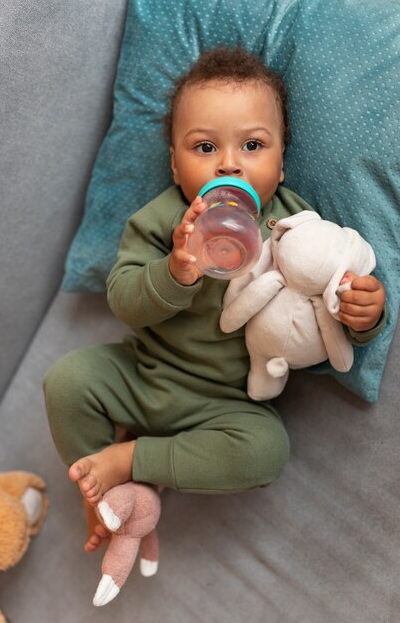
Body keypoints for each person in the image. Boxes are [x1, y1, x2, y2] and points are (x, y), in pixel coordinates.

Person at [43, 46, 386, 553]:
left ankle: (130, 462)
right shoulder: (162, 220)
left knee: (265, 454)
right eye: (204, 148)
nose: (230, 164)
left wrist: (364, 315)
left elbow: (328, 297)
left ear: (282, 162)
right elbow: (123, 300)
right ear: (176, 167)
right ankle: (103, 496)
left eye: (252, 145)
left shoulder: (296, 227)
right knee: (66, 382)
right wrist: (175, 272)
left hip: (226, 404)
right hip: (144, 374)